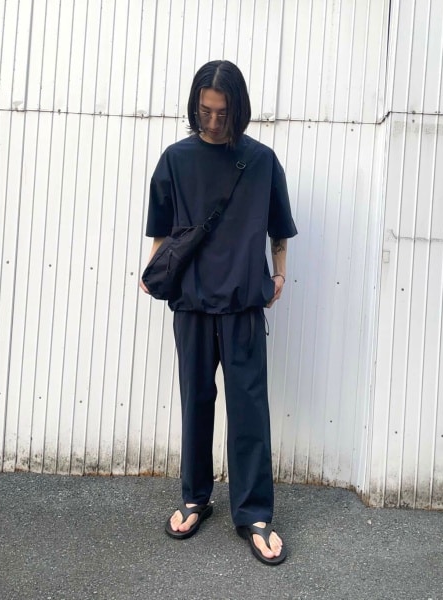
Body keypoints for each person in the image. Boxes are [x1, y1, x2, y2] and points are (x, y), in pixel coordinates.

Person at [140, 60, 297, 566]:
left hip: (243, 302)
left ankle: (254, 513)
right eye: (204, 111)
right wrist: (156, 272)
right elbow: (162, 230)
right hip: (191, 301)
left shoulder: (262, 161)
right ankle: (195, 497)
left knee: (249, 408)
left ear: (239, 110)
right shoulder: (175, 158)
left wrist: (279, 275)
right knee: (196, 401)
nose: (211, 121)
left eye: (222, 113)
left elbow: (279, 228)